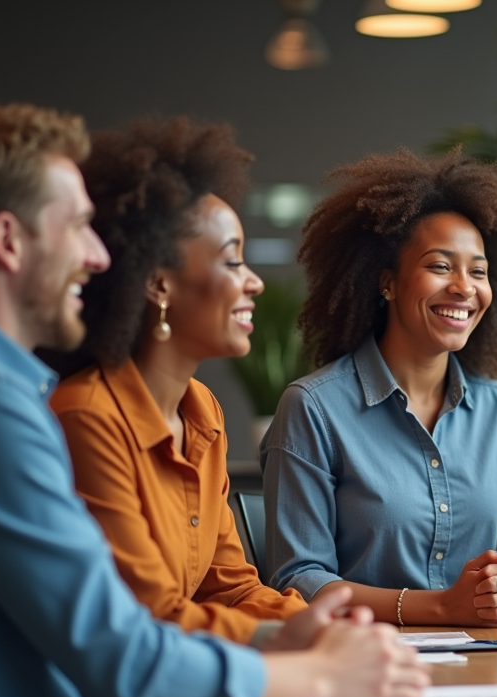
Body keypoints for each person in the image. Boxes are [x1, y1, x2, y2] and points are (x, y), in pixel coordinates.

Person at [0, 103, 428, 697]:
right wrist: (314, 672)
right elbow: (127, 648)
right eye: (77, 228)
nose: (98, 256)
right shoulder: (13, 407)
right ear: (8, 240)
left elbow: (220, 587)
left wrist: (305, 630)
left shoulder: (172, 409)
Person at [263, 148, 497, 627]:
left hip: (485, 666)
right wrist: (444, 607)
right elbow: (300, 579)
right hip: (363, 663)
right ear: (387, 282)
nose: (465, 287)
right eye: (441, 266)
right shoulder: (314, 409)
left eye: (479, 271)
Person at [43, 116, 309, 648]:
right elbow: (152, 616)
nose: (253, 281)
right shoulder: (87, 416)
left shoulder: (201, 410)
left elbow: (230, 588)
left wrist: (316, 620)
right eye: (233, 260)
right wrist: (299, 637)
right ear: (160, 283)